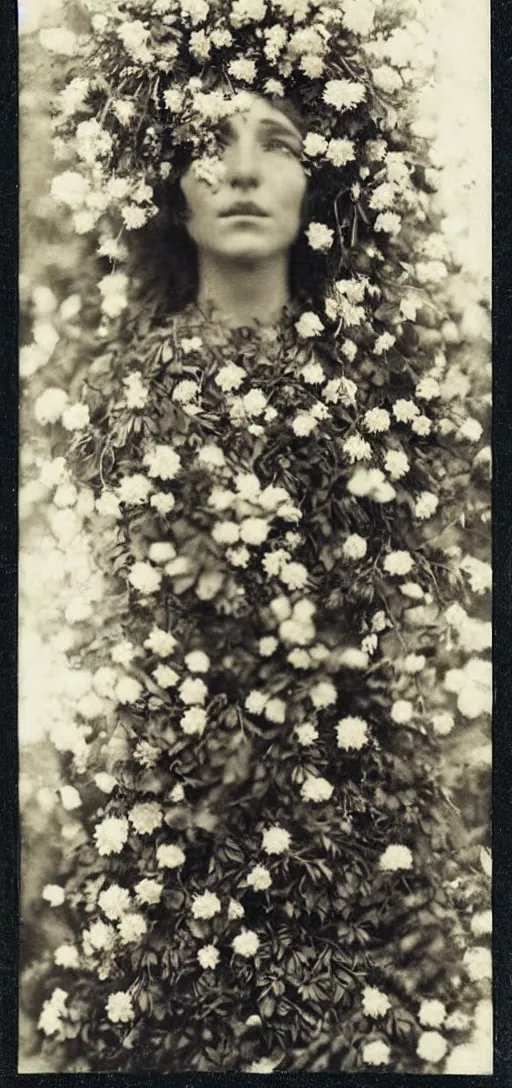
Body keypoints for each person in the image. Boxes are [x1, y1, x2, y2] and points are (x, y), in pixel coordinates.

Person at [28, 0, 491, 1074]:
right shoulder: (116, 399)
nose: (239, 172)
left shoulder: (401, 396)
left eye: (276, 140)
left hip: (363, 845)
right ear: (158, 176)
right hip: (170, 838)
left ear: (325, 173)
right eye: (207, 140)